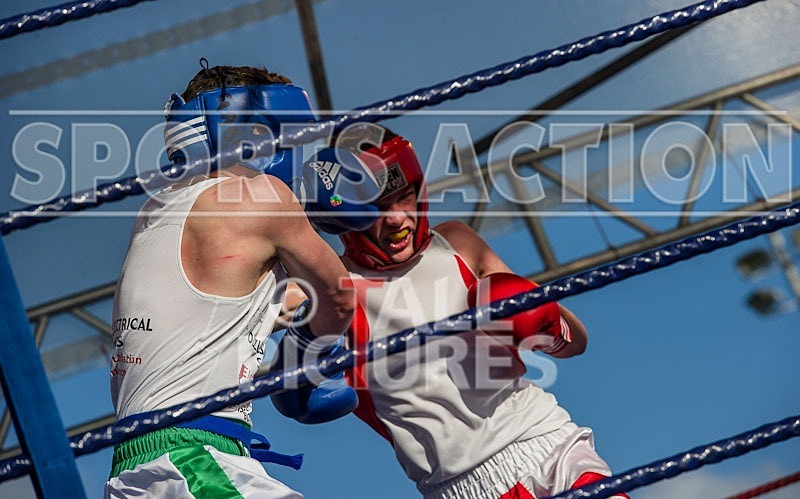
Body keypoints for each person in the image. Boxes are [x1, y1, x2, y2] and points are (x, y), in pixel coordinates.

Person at [275, 123, 629, 499]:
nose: (397, 219)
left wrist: (546, 325)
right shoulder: (330, 289)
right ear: (344, 214)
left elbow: (577, 341)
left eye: (404, 198)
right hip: (458, 486)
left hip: (548, 445)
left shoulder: (457, 244)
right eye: (377, 207)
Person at [105, 61, 377, 498]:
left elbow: (235, 305)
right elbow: (339, 298)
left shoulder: (154, 213)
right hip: (192, 461)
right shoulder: (263, 197)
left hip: (142, 468)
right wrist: (307, 349)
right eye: (291, 139)